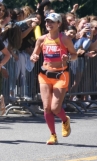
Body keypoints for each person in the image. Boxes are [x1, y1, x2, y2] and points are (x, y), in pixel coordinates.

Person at [30, 13, 77, 145]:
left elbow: (74, 55)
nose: (49, 24)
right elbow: (35, 53)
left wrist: (68, 58)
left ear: (59, 24)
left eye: (52, 22)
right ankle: (53, 135)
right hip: (45, 75)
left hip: (61, 75)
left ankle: (64, 120)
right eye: (47, 22)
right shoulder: (41, 39)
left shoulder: (65, 39)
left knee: (55, 108)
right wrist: (33, 57)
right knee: (46, 107)